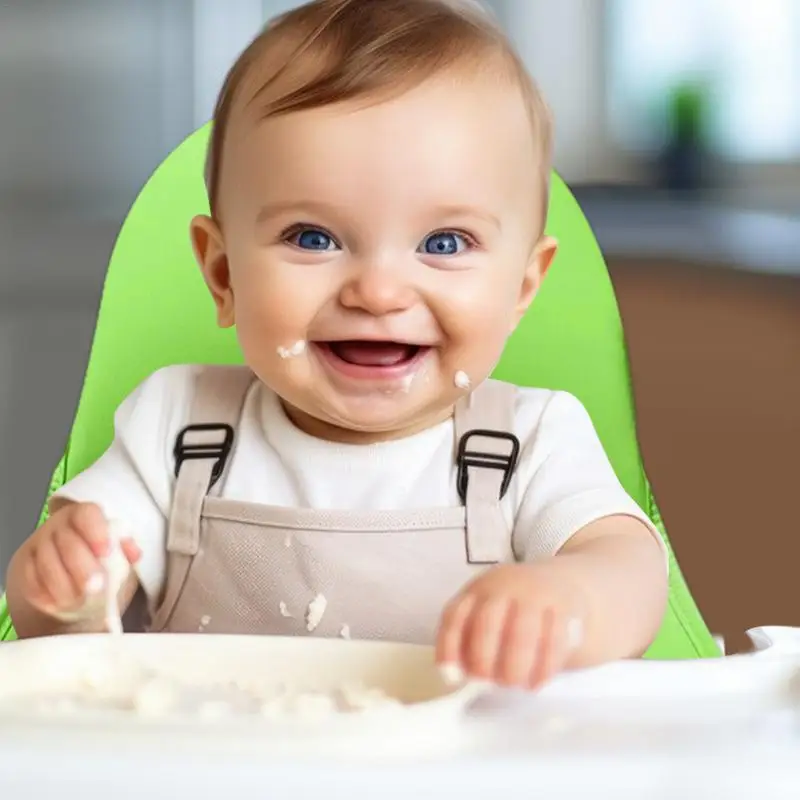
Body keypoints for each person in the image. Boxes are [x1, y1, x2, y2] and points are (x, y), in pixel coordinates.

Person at [4, 0, 668, 690]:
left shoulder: (530, 440)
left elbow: (628, 567)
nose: (378, 292)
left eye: (444, 243)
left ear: (521, 288)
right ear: (223, 273)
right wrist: (66, 589)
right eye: (312, 238)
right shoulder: (177, 425)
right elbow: (53, 638)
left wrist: (570, 604)